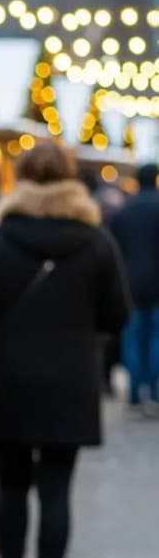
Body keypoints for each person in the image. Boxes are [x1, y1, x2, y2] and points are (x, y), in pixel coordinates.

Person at [0, 141, 130, 558]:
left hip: (9, 378)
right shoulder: (95, 241)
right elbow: (116, 314)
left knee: (13, 487)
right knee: (57, 491)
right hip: (70, 380)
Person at [110, 162, 159, 412]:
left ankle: (134, 393)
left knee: (133, 339)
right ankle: (155, 391)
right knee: (155, 338)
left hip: (130, 284)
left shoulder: (124, 210)